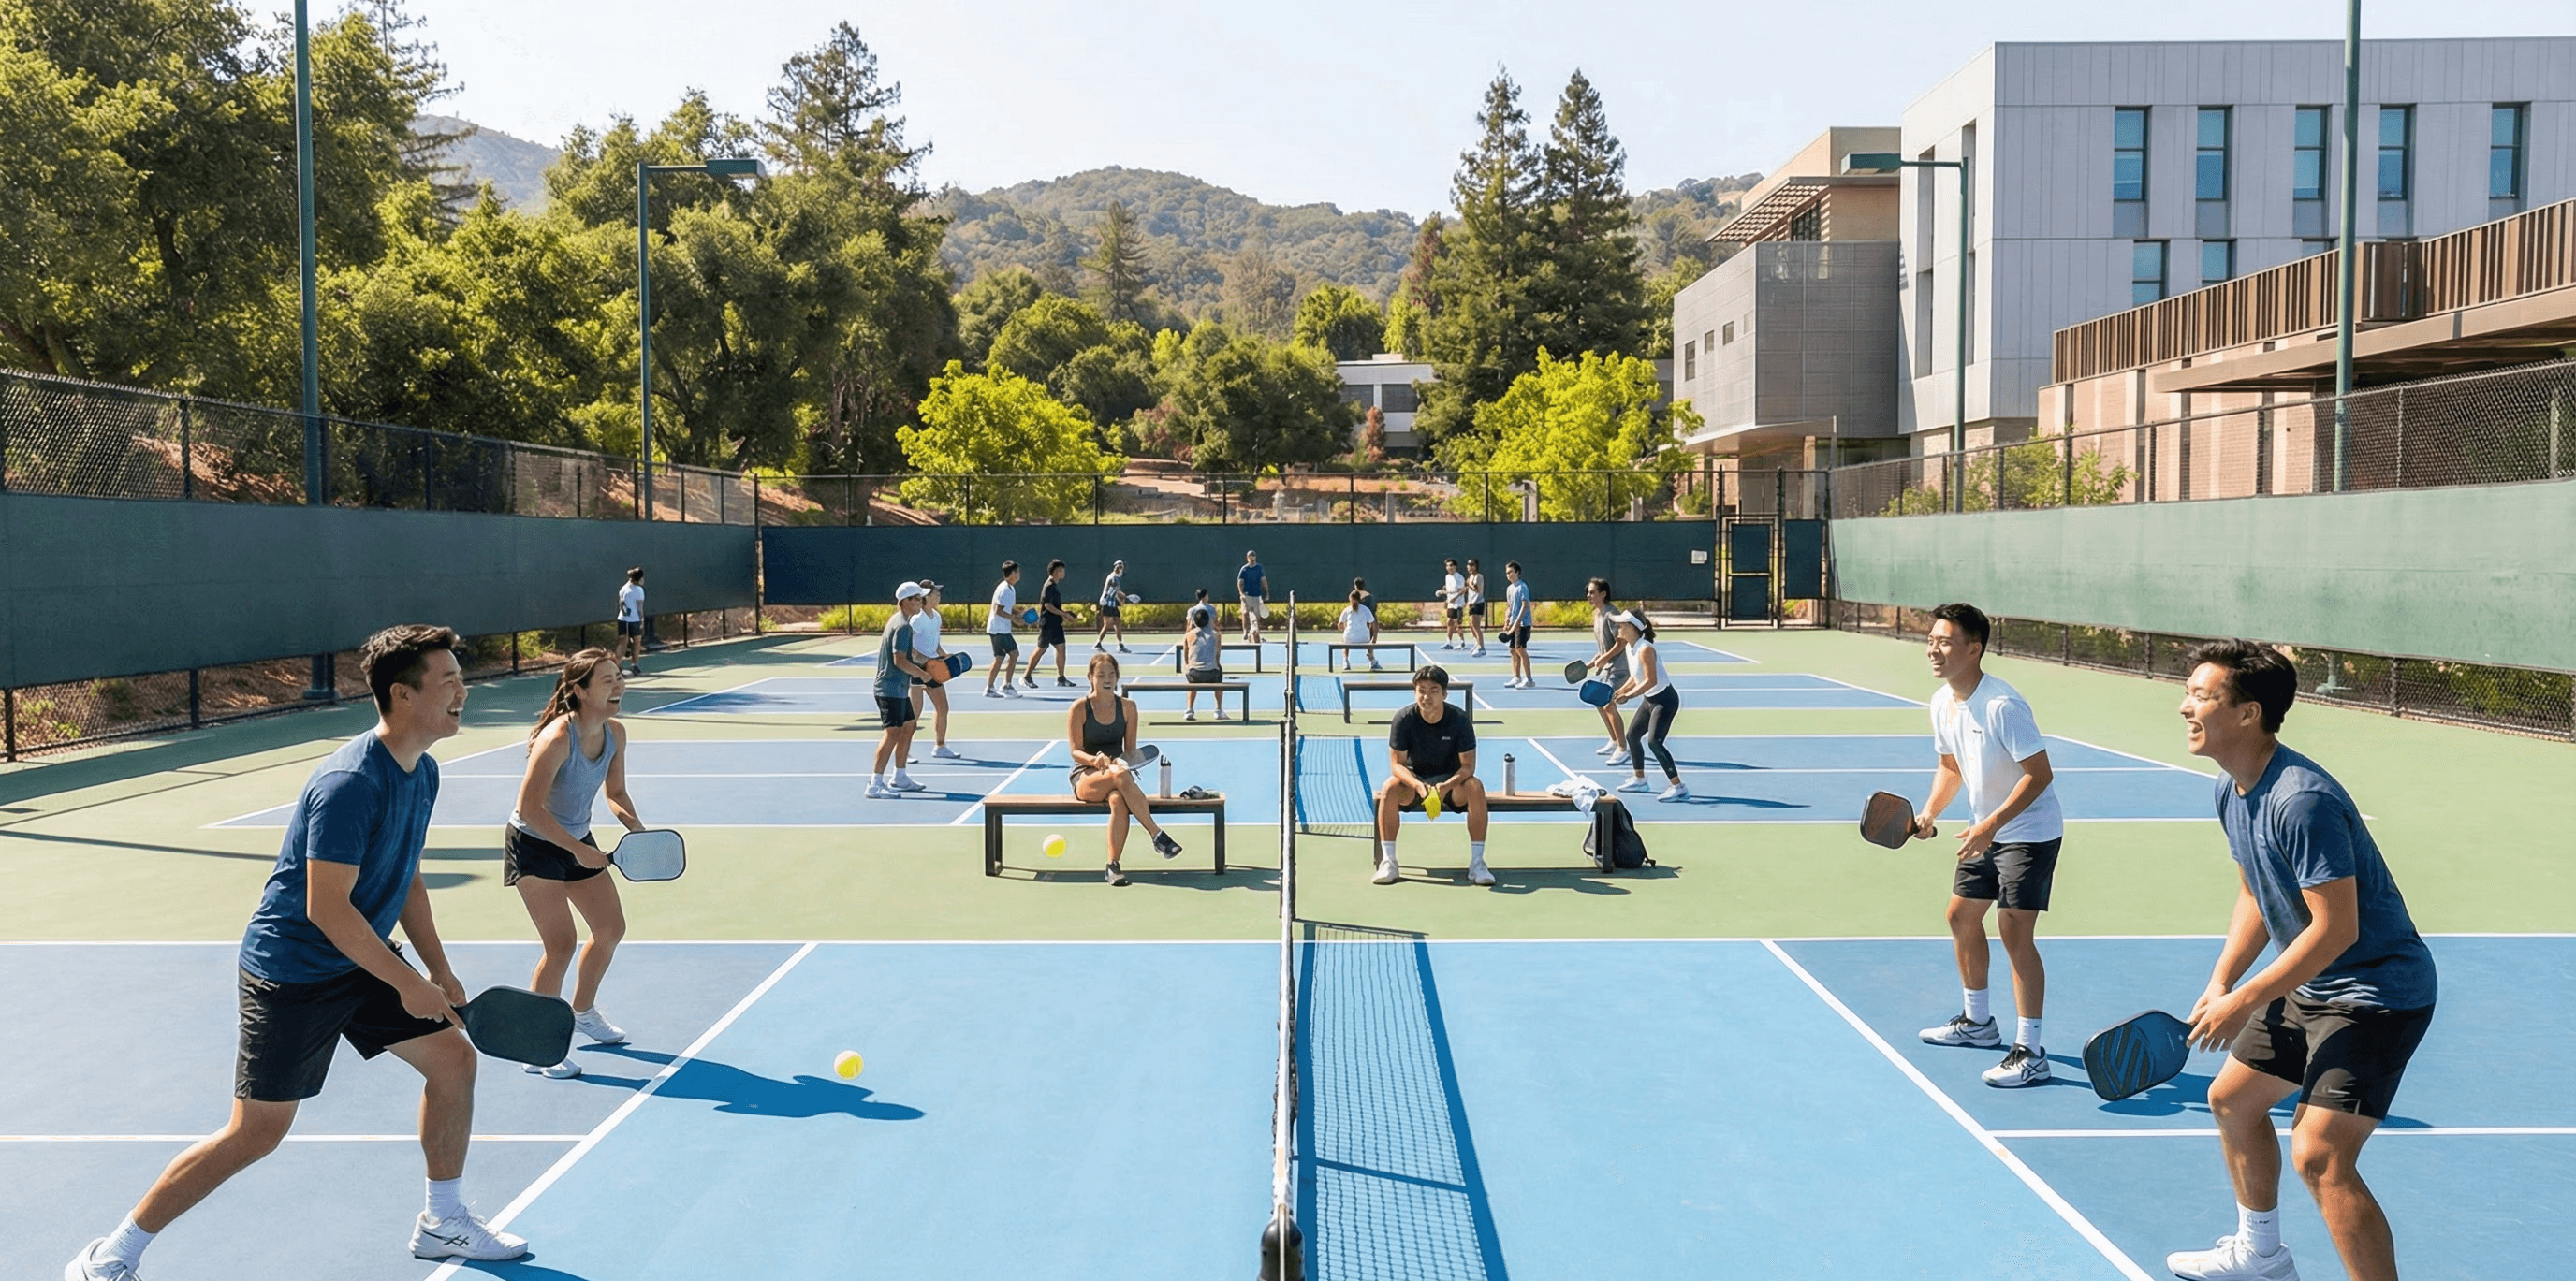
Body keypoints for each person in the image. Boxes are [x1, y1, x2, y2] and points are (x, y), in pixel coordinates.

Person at [64, 626, 530, 1280]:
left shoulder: (422, 771)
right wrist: (406, 981)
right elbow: (327, 907)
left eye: (462, 678)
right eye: (449, 680)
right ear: (402, 693)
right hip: (293, 971)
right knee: (257, 1132)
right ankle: (111, 1256)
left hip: (359, 956)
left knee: (453, 1060)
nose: (464, 691)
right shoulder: (351, 782)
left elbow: (407, 875)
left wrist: (439, 968)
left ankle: (441, 1221)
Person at [2165, 640, 2437, 1281]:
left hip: (2377, 991)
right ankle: (2261, 1254)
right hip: (2315, 982)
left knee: (2320, 1154)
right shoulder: (2233, 790)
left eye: (2202, 695)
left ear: (2247, 713)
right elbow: (2256, 893)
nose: (2185, 705)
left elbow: (2337, 927)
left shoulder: (2300, 799)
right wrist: (2222, 977)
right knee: (2232, 1100)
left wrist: (2247, 998)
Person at [1909, 603, 2063, 1090]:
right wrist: (1931, 812)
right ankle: (1977, 1024)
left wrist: (1991, 825)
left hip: (2028, 831)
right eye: (1931, 640)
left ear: (1973, 649)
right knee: (1961, 916)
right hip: (1985, 828)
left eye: (1945, 641)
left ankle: (2031, 1052)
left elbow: (2039, 776)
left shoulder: (2002, 705)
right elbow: (1951, 767)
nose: (1934, 649)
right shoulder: (1941, 702)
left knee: (2014, 931)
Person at [505, 648, 644, 1080]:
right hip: (533, 842)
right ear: (580, 690)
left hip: (575, 838)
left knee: (610, 930)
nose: (618, 684)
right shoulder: (555, 738)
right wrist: (577, 848)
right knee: (561, 943)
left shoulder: (616, 733)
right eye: (607, 679)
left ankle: (582, 1010)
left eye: (619, 676)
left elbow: (616, 794)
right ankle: (536, 1043)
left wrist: (637, 829)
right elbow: (529, 808)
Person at [1066, 652, 1185, 886]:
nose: (1106, 679)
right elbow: (1075, 751)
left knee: (1119, 800)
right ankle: (1157, 835)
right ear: (1091, 677)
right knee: (1120, 775)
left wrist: (1119, 764)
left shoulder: (1128, 707)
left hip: (1117, 774)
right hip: (1086, 777)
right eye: (1100, 674)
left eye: (1111, 674)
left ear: (1117, 677)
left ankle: (1113, 865)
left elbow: (1130, 752)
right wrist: (1095, 760)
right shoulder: (1079, 708)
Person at [1372, 665, 1491, 887]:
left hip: (1451, 785)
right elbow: (1396, 765)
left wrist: (1445, 786)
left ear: (1444, 694)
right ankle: (1389, 862)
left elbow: (1468, 767)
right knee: (1389, 787)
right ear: (1415, 692)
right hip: (1414, 784)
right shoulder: (1403, 719)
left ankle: (1477, 863)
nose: (1427, 697)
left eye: (1434, 690)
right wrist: (1418, 786)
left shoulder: (1459, 719)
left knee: (1475, 786)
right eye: (1422, 690)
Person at [1606, 612, 1688, 802]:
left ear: (1633, 628)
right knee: (1632, 736)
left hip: (1665, 700)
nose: (1618, 628)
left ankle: (1679, 787)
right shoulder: (1630, 648)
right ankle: (1640, 779)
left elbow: (1651, 680)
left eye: (1621, 625)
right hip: (1650, 700)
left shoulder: (1645, 649)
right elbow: (1636, 677)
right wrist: (1620, 691)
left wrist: (1629, 695)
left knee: (1654, 742)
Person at [869, 583, 935, 797]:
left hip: (897, 689)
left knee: (909, 726)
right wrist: (922, 674)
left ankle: (900, 776)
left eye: (921, 598)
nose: (920, 602)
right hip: (889, 688)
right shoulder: (904, 626)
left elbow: (906, 656)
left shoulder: (899, 621)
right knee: (892, 734)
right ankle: (875, 784)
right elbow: (899, 660)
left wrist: (925, 663)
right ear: (905, 602)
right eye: (916, 599)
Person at [908, 581, 960, 761]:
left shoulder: (936, 616)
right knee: (914, 713)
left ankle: (940, 746)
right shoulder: (916, 619)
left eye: (938, 593)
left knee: (943, 707)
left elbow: (934, 642)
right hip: (917, 669)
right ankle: (904, 750)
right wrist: (924, 662)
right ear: (926, 598)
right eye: (935, 594)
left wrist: (943, 654)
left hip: (935, 668)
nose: (938, 596)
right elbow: (910, 648)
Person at [1582, 578, 1632, 760]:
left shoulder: (1612, 614)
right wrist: (1592, 662)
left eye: (1592, 592)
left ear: (1603, 594)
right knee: (1598, 701)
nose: (1589, 595)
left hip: (1620, 668)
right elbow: (1603, 647)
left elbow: (1621, 642)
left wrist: (1605, 658)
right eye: (1588, 592)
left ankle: (1623, 748)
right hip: (1607, 668)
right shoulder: (1598, 615)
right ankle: (1613, 740)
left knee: (1609, 704)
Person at [1182, 591, 1228, 722]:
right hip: (1212, 673)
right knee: (1219, 673)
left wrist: (1187, 666)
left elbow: (1186, 653)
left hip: (1193, 674)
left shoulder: (1188, 635)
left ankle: (1189, 710)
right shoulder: (1216, 635)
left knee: (1191, 681)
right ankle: (1218, 710)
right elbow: (1217, 655)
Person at [1029, 559, 1074, 688]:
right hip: (1048, 623)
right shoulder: (1049, 586)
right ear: (1055, 572)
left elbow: (1052, 605)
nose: (1063, 572)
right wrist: (1064, 614)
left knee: (1061, 648)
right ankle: (1027, 676)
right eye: (1060, 570)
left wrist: (1064, 612)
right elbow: (1047, 605)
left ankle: (1061, 678)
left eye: (1063, 570)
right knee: (1041, 649)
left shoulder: (1053, 586)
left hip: (1055, 623)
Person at [983, 561, 1023, 699]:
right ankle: (1006, 685)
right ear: (1012, 574)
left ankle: (991, 687)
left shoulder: (1010, 588)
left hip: (1000, 629)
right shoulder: (1004, 589)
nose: (1019, 574)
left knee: (1000, 658)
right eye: (1017, 572)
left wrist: (1017, 613)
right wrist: (1014, 618)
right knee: (1014, 654)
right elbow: (998, 610)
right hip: (999, 630)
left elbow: (1007, 607)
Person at [1500, 562, 1536, 688]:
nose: (1509, 575)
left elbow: (1525, 605)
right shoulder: (1510, 589)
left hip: (1523, 624)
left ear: (1517, 573)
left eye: (1511, 572)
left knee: (1520, 649)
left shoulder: (1522, 587)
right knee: (1513, 650)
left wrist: (1517, 623)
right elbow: (1509, 607)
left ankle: (1529, 679)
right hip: (1513, 624)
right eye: (1507, 573)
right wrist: (1507, 622)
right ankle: (1516, 677)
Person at [1095, 560, 1134, 653]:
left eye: (1122, 567)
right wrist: (1104, 598)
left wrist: (1121, 598)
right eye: (1119, 567)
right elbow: (1108, 590)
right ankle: (1098, 644)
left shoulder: (1116, 578)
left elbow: (1115, 592)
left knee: (1118, 623)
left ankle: (1120, 645)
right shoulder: (1112, 578)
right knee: (1108, 624)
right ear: (1116, 568)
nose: (1121, 569)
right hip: (1108, 604)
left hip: (1113, 604)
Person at [614, 566, 646, 676]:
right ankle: (634, 666)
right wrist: (642, 620)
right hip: (633, 620)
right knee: (636, 642)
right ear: (639, 579)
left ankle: (618, 666)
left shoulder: (623, 588)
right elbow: (640, 607)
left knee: (623, 642)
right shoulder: (638, 590)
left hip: (622, 619)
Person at [1338, 589, 1376, 669]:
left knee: (1344, 640)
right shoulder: (1366, 610)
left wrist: (1344, 628)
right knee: (1368, 641)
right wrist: (1374, 638)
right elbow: (1373, 623)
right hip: (1364, 639)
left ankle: (1345, 662)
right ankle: (1372, 660)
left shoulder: (1346, 610)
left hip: (1350, 639)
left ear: (1350, 599)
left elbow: (1340, 625)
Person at [1237, 550, 1267, 645]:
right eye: (1250, 557)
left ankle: (1256, 634)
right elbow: (1240, 582)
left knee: (1256, 616)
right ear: (1247, 558)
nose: (1252, 558)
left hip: (1256, 596)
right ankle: (1245, 634)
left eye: (1253, 556)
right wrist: (1241, 594)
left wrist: (1267, 593)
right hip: (1246, 596)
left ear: (1255, 557)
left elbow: (1264, 581)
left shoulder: (1259, 568)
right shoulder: (1244, 569)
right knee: (1245, 614)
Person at [1353, 577, 1383, 670]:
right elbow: (1373, 618)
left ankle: (1345, 661)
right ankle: (1372, 661)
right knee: (1369, 643)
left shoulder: (1353, 597)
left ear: (1355, 586)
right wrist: (1375, 635)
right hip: (1368, 627)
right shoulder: (1371, 597)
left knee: (1345, 638)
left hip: (1356, 628)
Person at [1438, 558, 1466, 649]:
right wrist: (1444, 592)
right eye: (1447, 566)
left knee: (1457, 623)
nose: (1449, 567)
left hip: (1458, 603)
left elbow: (1463, 590)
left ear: (1455, 567)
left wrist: (1455, 597)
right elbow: (1450, 590)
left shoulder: (1459, 577)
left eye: (1451, 566)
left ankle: (1462, 641)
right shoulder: (1447, 577)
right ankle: (1449, 642)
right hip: (1451, 603)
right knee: (1449, 622)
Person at [1464, 558, 1489, 656]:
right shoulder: (1470, 577)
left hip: (1478, 603)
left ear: (1476, 566)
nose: (1470, 567)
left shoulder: (1478, 576)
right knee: (1471, 626)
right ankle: (1477, 643)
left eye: (1472, 565)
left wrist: (1469, 584)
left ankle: (1481, 647)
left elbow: (1477, 589)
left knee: (1476, 626)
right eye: (1469, 565)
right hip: (1471, 603)